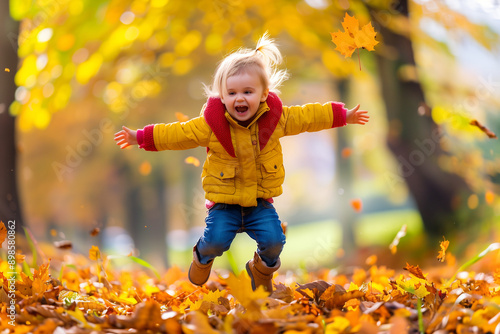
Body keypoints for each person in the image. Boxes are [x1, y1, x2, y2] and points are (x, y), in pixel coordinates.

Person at [114, 33, 369, 292]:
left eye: (248, 92)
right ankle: (201, 258)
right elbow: (178, 133)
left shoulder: (277, 119)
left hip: (259, 202)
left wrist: (343, 115)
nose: (239, 99)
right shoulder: (211, 126)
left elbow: (308, 116)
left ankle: (260, 269)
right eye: (232, 92)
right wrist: (140, 137)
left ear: (263, 93)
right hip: (224, 204)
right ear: (222, 97)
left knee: (274, 241)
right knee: (215, 241)